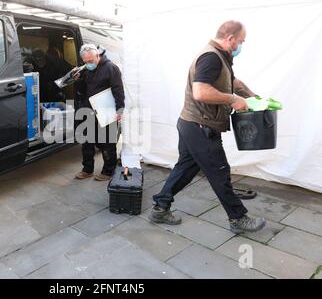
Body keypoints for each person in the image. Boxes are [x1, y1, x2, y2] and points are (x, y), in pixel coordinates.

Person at [149, 20, 267, 234]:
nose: (241, 45)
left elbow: (234, 82)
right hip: (200, 127)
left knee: (186, 168)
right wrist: (232, 100)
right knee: (220, 172)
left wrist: (255, 98)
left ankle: (160, 207)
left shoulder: (221, 56)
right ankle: (238, 218)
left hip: (190, 123)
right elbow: (201, 92)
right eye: (241, 41)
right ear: (230, 39)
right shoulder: (211, 57)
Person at [74, 44, 125, 181]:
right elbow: (82, 90)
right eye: (85, 62)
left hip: (106, 110)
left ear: (98, 55)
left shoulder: (111, 68)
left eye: (91, 60)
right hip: (89, 109)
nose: (88, 64)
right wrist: (78, 80)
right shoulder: (86, 69)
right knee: (87, 142)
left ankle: (108, 171)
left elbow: (118, 90)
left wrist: (120, 109)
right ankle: (87, 169)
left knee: (107, 142)